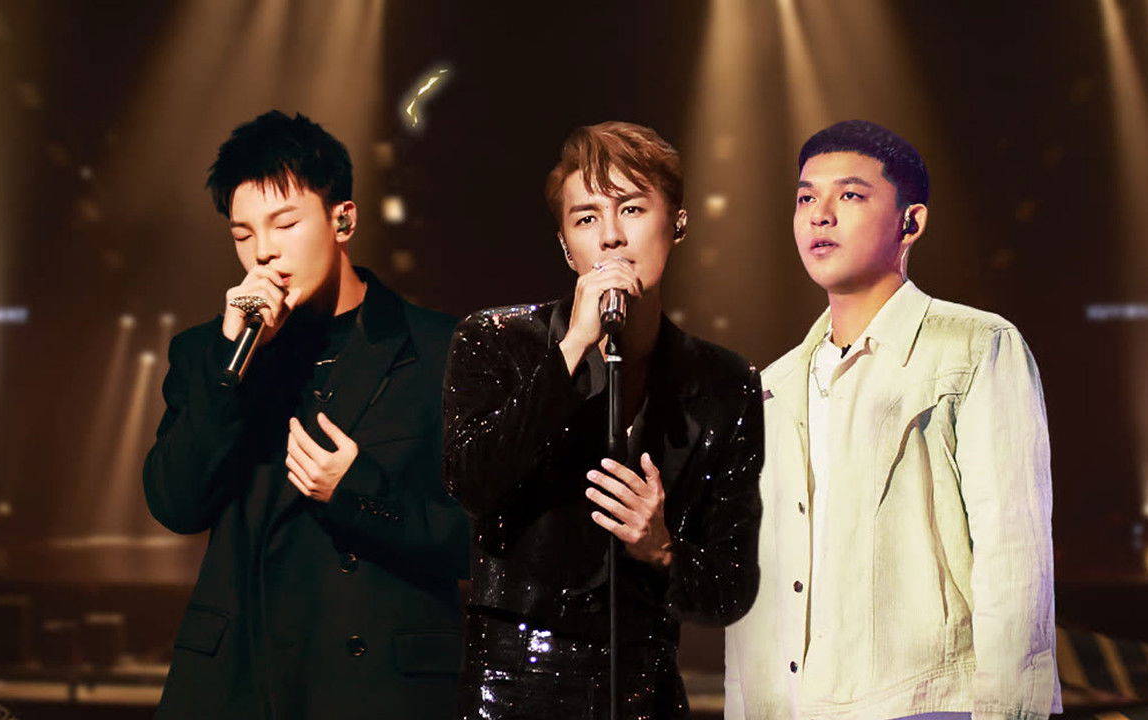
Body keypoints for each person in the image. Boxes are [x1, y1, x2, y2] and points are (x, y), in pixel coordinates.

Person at [724, 120, 1061, 720]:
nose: (820, 215)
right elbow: (757, 584)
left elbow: (1014, 556)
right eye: (806, 198)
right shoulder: (773, 386)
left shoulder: (974, 345)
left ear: (911, 222)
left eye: (850, 195)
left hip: (926, 702)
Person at [143, 110, 469, 720]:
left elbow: (482, 539)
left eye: (286, 223)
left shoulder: (439, 349)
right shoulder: (210, 353)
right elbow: (176, 504)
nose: (263, 251)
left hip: (377, 687)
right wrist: (231, 366)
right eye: (242, 234)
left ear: (343, 219)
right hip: (243, 679)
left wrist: (359, 493)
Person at [443, 121, 764, 719]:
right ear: (567, 247)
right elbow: (472, 482)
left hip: (644, 685)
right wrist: (571, 351)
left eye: (632, 209)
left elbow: (730, 588)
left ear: (678, 223)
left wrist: (662, 549)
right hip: (512, 684)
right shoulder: (496, 341)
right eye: (586, 218)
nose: (611, 236)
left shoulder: (725, 383)